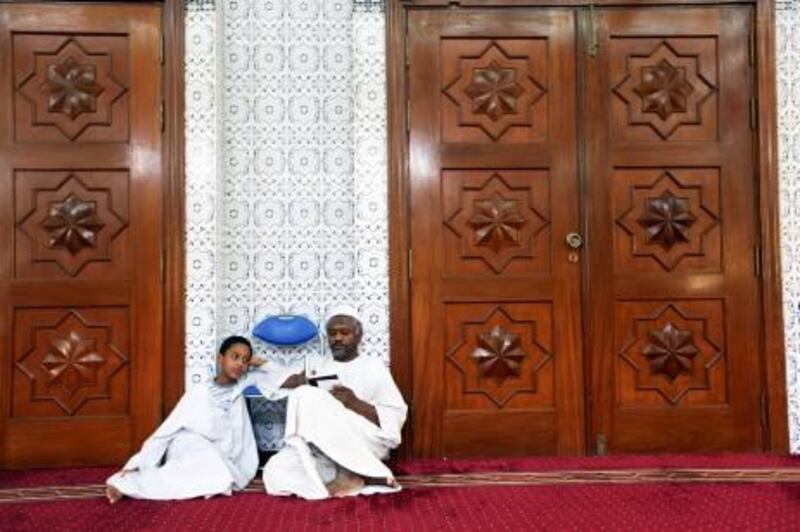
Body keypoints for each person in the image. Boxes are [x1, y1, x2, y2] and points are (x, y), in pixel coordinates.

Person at [105, 336, 277, 503]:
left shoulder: (242, 387)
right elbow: (167, 430)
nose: (240, 364)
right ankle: (126, 485)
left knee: (214, 466)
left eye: (245, 360)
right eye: (235, 357)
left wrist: (261, 363)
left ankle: (139, 485)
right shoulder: (199, 392)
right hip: (190, 443)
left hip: (223, 452)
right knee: (202, 462)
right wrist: (138, 462)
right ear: (221, 358)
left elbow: (286, 379)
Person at [262, 313, 407, 499]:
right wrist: (297, 378)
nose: (337, 338)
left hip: (362, 440)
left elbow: (395, 416)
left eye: (344, 332)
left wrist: (354, 403)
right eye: (332, 333)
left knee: (306, 394)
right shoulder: (317, 365)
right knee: (276, 470)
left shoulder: (373, 366)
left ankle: (355, 472)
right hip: (324, 447)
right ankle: (359, 474)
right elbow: (280, 382)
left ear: (358, 336)